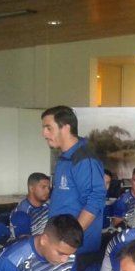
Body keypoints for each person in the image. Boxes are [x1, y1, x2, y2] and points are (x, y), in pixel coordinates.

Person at [42, 106, 106, 256]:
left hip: (76, 249)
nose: (44, 133)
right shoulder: (65, 158)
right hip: (60, 245)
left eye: (48, 128)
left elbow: (95, 200)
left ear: (65, 128)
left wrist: (69, 240)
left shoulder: (84, 159)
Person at [9, 172, 51, 240]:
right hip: (27, 245)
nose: (48, 191)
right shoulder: (21, 213)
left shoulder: (48, 205)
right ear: (31, 188)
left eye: (48, 188)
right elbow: (25, 242)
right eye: (43, 187)